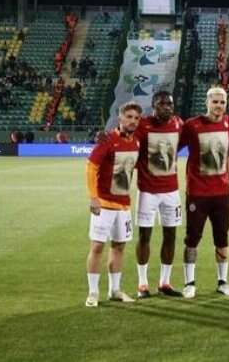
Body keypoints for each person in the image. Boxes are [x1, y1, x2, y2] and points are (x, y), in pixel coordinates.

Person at [179, 87, 229, 298]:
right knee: (192, 238)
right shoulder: (191, 125)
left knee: (222, 237)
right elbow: (173, 145)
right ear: (207, 102)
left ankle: (222, 281)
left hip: (222, 193)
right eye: (215, 101)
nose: (219, 106)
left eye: (222, 102)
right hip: (197, 192)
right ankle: (189, 283)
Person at [85, 101, 142, 307]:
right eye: (129, 117)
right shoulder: (108, 140)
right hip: (104, 204)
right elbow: (91, 167)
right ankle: (93, 293)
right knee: (97, 246)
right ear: (120, 118)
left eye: (136, 118)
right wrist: (93, 197)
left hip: (124, 205)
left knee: (119, 247)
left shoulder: (136, 142)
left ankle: (115, 290)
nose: (133, 121)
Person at [133, 91, 184, 298]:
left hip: (172, 191)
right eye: (162, 104)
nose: (167, 107)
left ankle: (165, 282)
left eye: (170, 104)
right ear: (153, 106)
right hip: (147, 191)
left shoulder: (178, 124)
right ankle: (142, 283)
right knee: (144, 235)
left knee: (171, 235)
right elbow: (128, 141)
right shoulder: (143, 125)